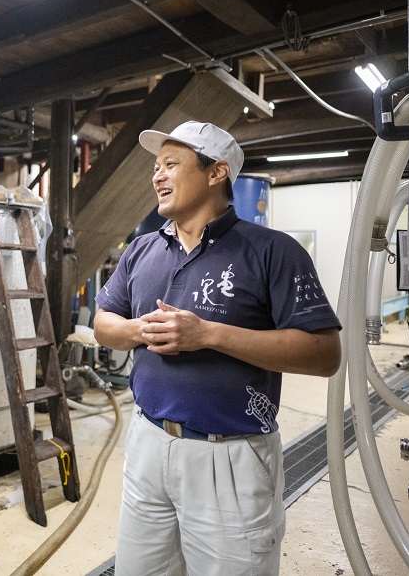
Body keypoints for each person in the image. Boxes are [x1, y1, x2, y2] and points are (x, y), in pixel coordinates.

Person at [93, 120, 341, 576]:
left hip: (229, 454)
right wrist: (139, 332)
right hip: (148, 441)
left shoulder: (272, 251)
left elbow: (324, 354)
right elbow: (103, 324)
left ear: (216, 172)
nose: (157, 176)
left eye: (171, 164)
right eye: (155, 166)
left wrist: (207, 335)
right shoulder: (142, 249)